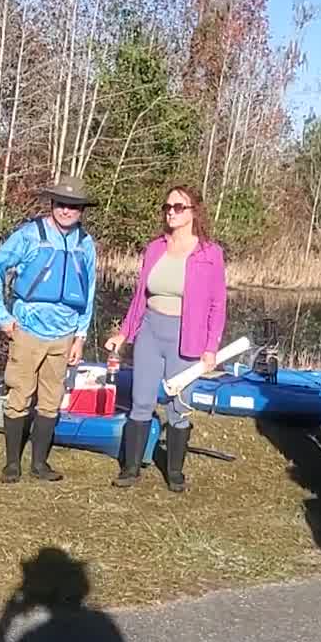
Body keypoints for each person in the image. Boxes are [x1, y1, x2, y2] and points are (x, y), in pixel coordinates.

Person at [107, 185, 229, 492]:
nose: (171, 212)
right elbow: (139, 298)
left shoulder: (210, 254)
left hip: (186, 337)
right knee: (141, 401)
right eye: (168, 207)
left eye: (178, 207)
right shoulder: (154, 248)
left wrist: (210, 347)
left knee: (179, 405)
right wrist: (125, 332)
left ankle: (174, 471)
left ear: (194, 213)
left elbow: (218, 303)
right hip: (150, 330)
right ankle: (131, 469)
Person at [0, 176, 100, 483]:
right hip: (27, 330)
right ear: (52, 204)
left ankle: (39, 463)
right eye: (61, 204)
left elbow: (88, 293)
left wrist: (81, 336)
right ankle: (12, 463)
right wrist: (2, 316)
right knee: (19, 395)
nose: (66, 211)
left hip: (64, 335)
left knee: (51, 399)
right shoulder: (29, 235)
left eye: (74, 206)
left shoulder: (85, 244)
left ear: (81, 210)